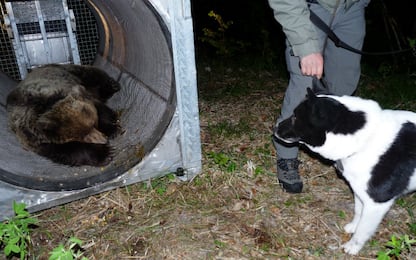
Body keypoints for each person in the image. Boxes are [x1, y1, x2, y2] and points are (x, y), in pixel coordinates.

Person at [268, 0, 371, 193]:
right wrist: (305, 46)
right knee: (304, 84)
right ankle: (286, 153)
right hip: (310, 8)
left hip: (352, 9)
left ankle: (338, 148)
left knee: (344, 85)